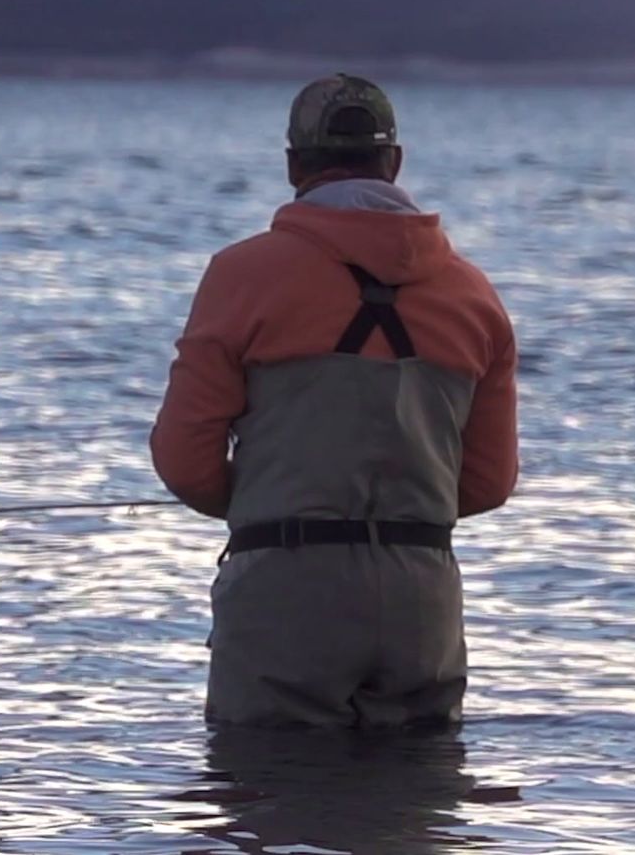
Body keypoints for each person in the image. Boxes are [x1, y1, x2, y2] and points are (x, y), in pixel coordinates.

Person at [150, 74, 518, 728]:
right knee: (413, 811)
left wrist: (268, 502)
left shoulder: (243, 274)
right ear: (395, 163)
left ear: (295, 166)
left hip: (286, 586)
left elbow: (183, 460)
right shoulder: (473, 294)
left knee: (268, 796)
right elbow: (489, 482)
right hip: (421, 591)